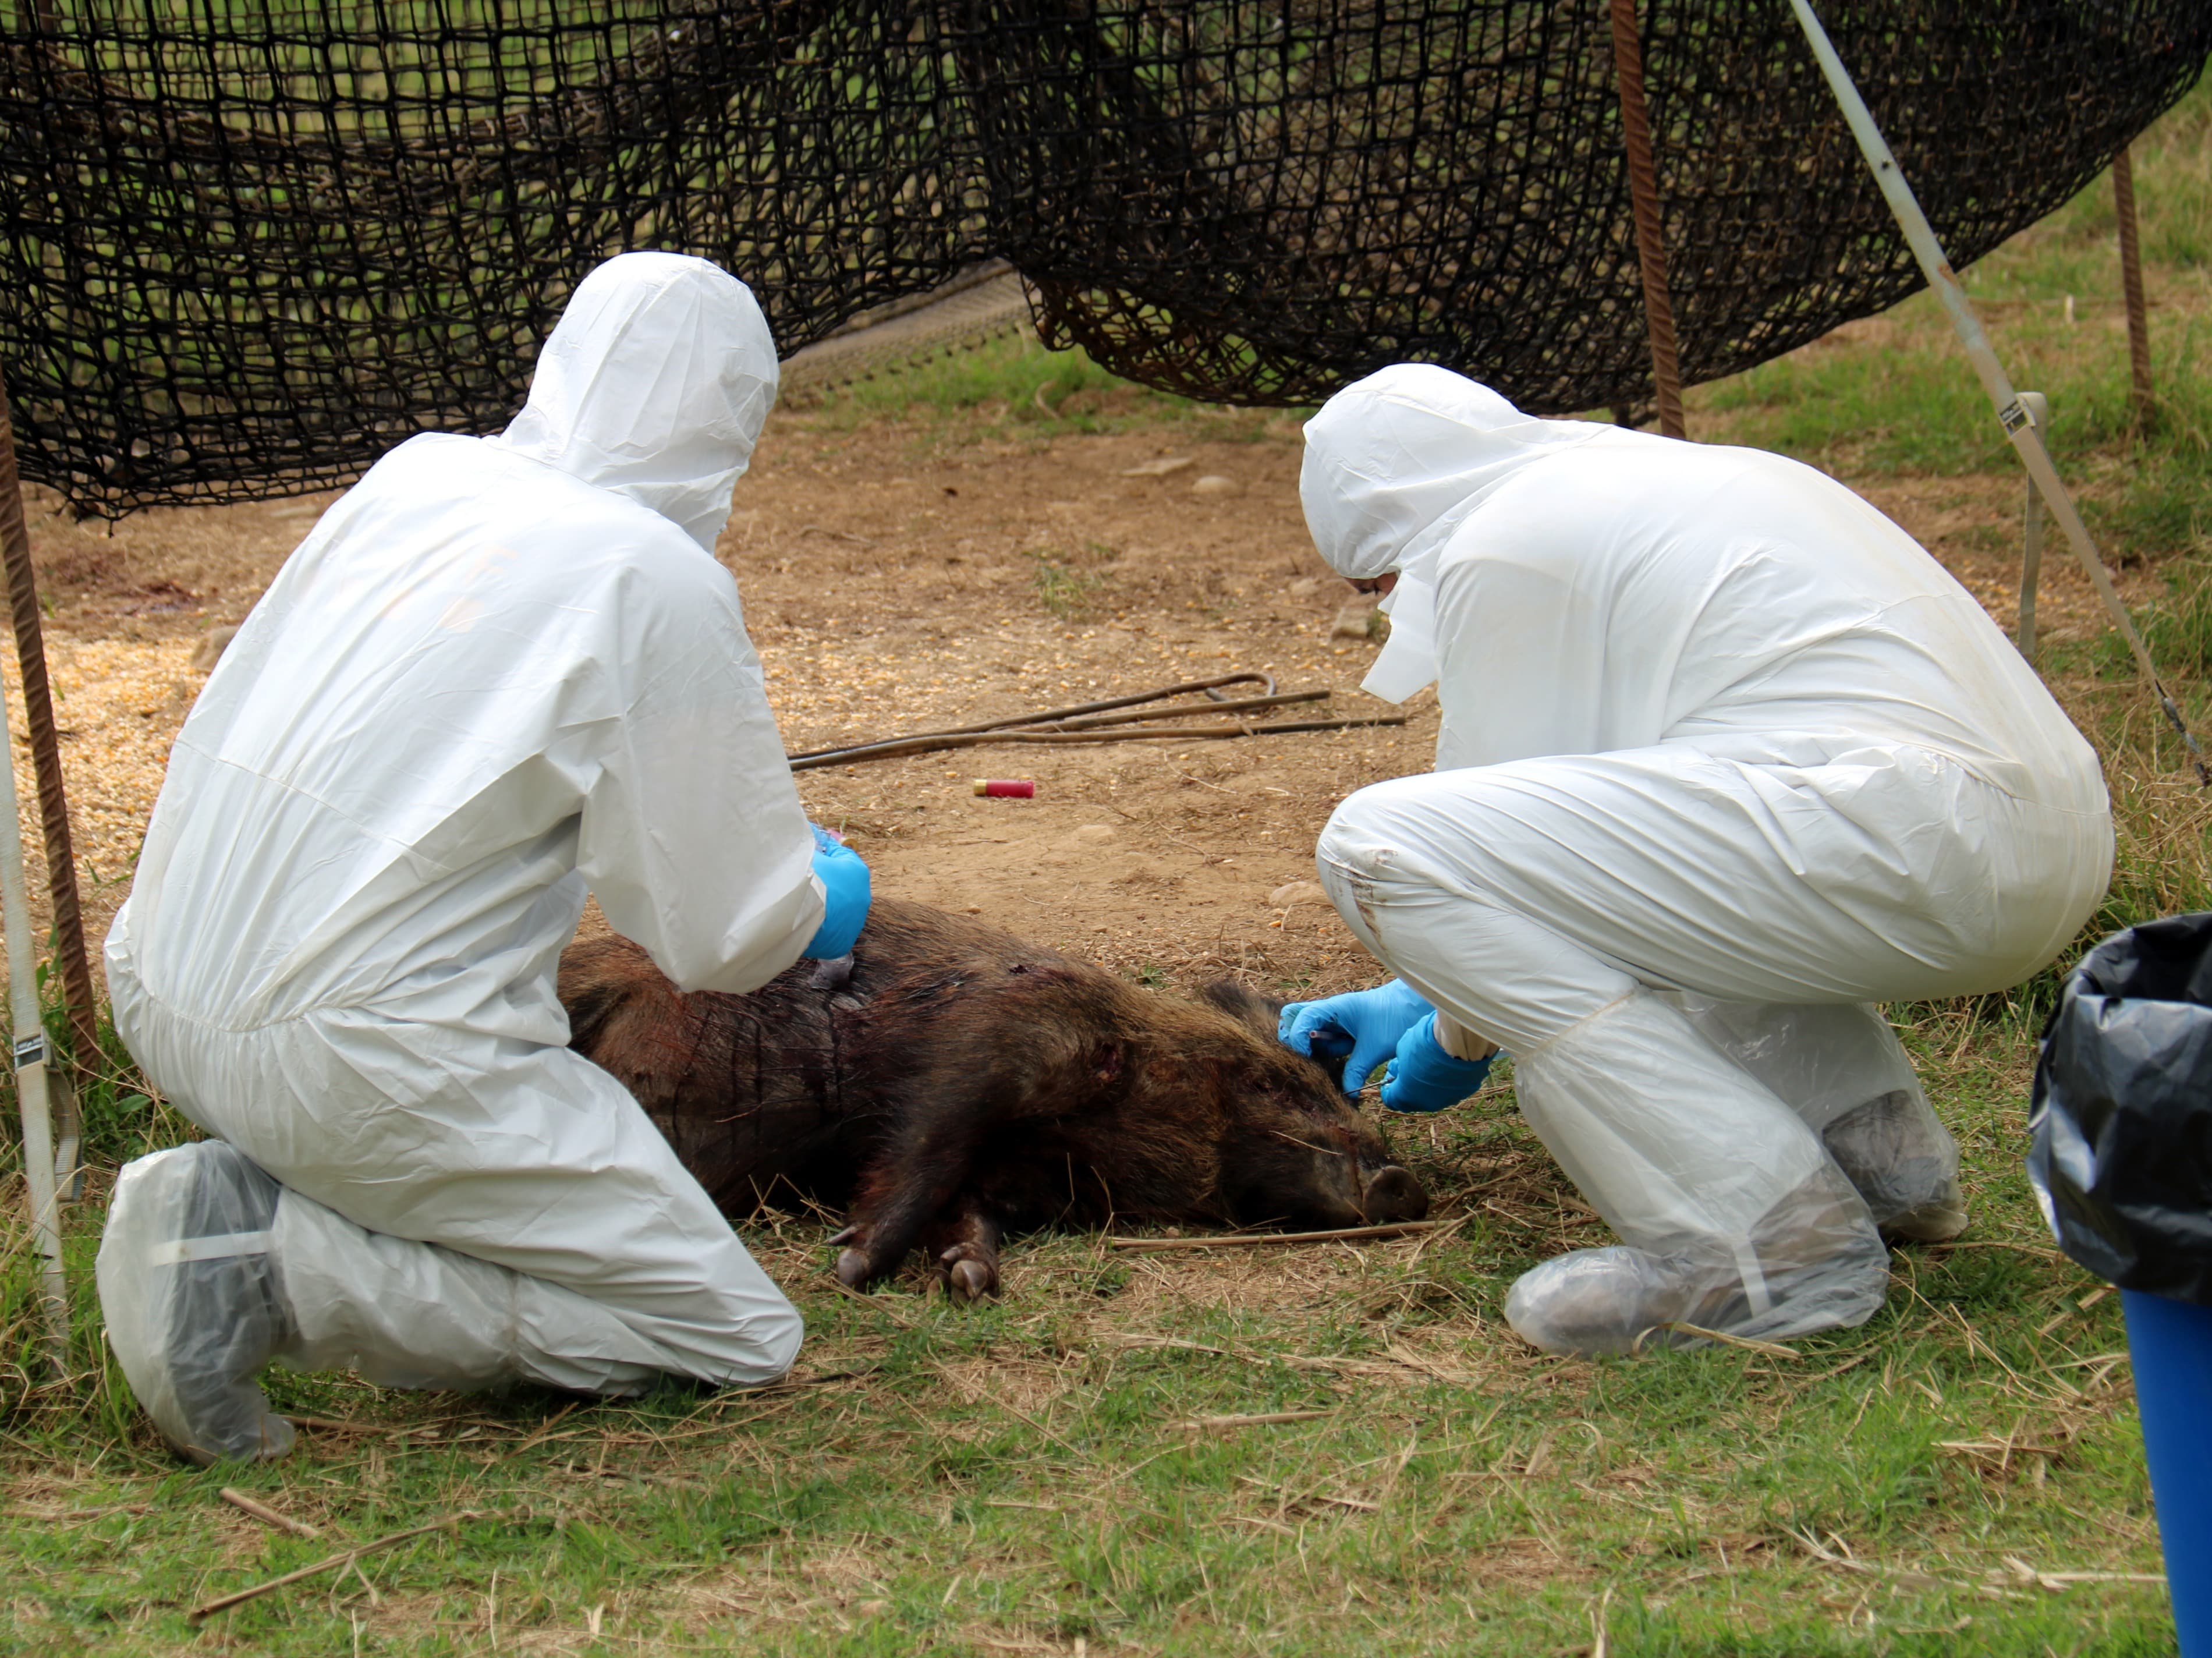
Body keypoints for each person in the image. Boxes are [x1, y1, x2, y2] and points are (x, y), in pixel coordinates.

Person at [95, 253, 871, 1464]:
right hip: (365, 1051)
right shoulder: (653, 577)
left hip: (156, 972)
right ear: (734, 423)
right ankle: (262, 1263)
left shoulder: (420, 477)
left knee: (425, 1146)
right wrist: (813, 895)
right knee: (724, 1328)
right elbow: (719, 936)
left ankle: (261, 1197)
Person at [1279, 364, 2111, 1357]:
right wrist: (1414, 995)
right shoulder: (1653, 484)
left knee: (1374, 845)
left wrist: (1456, 1031)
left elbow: (1470, 846)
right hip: (2032, 834)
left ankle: (1766, 1251)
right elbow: (1606, 836)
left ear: (1396, 532)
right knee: (1681, 846)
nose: (1386, 605)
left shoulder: (1510, 543)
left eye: (1377, 582)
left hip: (1911, 840)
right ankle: (1882, 1168)